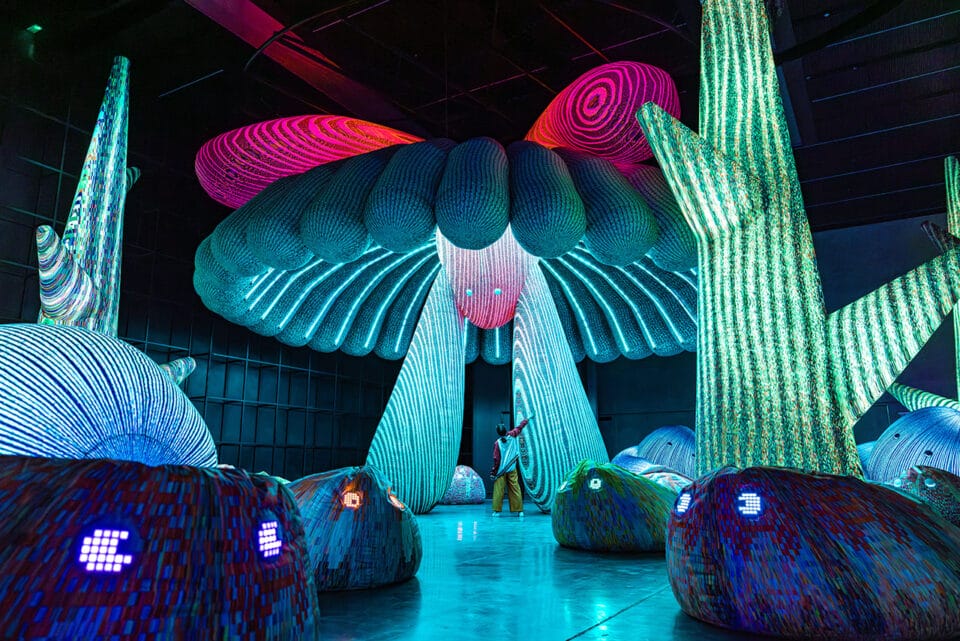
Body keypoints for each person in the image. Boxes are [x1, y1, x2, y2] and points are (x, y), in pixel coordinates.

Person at [489, 414, 533, 517]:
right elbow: (520, 427)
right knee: (515, 488)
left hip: (500, 471)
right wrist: (527, 419)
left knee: (498, 490)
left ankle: (496, 511)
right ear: (505, 430)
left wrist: (493, 472)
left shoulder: (497, 443)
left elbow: (496, 460)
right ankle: (519, 511)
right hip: (512, 468)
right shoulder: (513, 435)